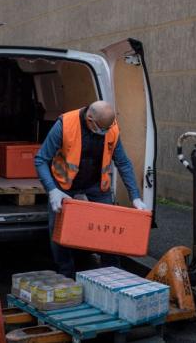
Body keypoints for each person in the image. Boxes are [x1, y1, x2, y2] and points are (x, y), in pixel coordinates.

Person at [34, 100, 146, 277]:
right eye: (102, 129)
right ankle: (66, 273)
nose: (105, 133)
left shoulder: (111, 129)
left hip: (96, 185)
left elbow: (123, 162)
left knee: (108, 228)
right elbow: (41, 159)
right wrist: (52, 190)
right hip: (64, 184)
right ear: (90, 119)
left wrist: (135, 197)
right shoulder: (65, 124)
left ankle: (112, 273)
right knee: (57, 228)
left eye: (108, 128)